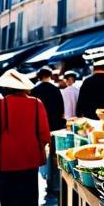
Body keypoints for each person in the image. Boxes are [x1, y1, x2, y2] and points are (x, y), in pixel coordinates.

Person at [0, 69, 50, 206]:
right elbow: (45, 134)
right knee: (28, 197)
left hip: (8, 160)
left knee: (10, 197)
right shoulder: (36, 103)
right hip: (30, 158)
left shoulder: (4, 103)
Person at [30, 66, 65, 196]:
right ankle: (53, 182)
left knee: (38, 152)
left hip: (37, 125)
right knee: (54, 153)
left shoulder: (35, 90)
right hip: (54, 125)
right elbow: (61, 110)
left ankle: (41, 178)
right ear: (50, 76)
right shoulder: (55, 90)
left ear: (39, 76)